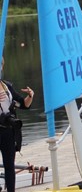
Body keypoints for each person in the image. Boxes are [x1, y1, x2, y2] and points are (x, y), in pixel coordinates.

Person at [0, 58, 33, 192]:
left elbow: (23, 104)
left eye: (0, 64)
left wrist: (30, 96)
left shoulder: (6, 86)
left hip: (8, 130)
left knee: (9, 166)